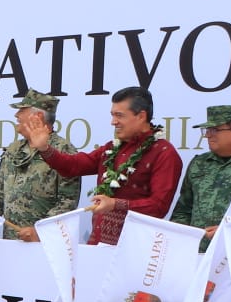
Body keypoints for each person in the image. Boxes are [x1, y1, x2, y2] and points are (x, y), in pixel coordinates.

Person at [21, 85, 182, 246]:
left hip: (135, 250)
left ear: (141, 116)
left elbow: (158, 206)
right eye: (112, 115)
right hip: (97, 246)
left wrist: (115, 204)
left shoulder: (164, 153)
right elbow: (73, 166)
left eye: (119, 115)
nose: (113, 122)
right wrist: (45, 148)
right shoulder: (113, 148)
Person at [0, 91, 82, 242]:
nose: (16, 115)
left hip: (44, 244)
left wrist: (39, 231)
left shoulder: (63, 150)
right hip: (10, 243)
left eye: (22, 110)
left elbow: (68, 201)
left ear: (38, 117)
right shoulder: (14, 148)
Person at [170, 104, 231, 251]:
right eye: (207, 130)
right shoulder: (199, 163)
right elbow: (183, 210)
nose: (207, 135)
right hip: (196, 255)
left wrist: (229, 231)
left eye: (215, 129)